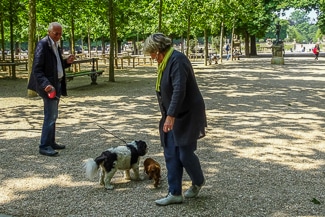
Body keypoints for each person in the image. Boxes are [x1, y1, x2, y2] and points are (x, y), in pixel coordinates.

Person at [143, 33, 207, 206]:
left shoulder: (177, 61)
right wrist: (168, 115)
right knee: (171, 152)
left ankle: (198, 180)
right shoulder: (165, 62)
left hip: (187, 114)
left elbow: (179, 90)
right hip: (171, 114)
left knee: (185, 154)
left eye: (151, 53)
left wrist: (170, 115)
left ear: (157, 50)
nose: (151, 57)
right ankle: (175, 192)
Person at [27, 22, 75, 156]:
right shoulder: (43, 45)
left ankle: (51, 142)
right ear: (49, 32)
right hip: (49, 87)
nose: (59, 36)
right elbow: (37, 69)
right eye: (56, 33)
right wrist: (46, 85)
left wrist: (66, 62)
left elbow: (55, 66)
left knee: (53, 115)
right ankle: (44, 146)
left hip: (57, 84)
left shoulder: (55, 45)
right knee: (50, 116)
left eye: (60, 33)